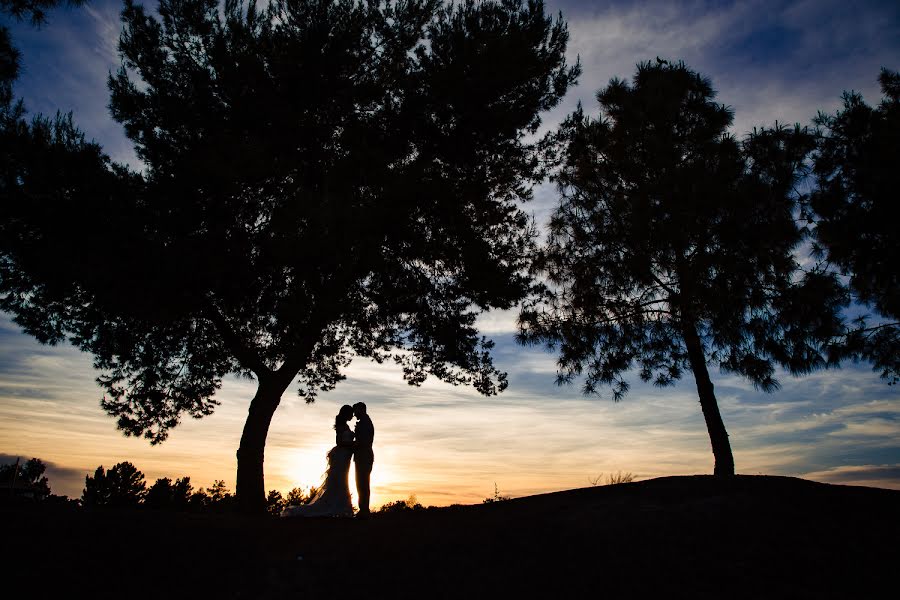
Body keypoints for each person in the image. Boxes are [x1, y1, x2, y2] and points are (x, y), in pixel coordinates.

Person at [281, 405, 355, 517]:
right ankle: (337, 507)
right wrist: (353, 444)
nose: (352, 416)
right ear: (346, 413)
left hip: (345, 457)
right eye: (351, 413)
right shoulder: (341, 425)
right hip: (341, 456)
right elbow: (339, 442)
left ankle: (341, 507)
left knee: (342, 481)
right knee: (340, 480)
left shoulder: (345, 425)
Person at [352, 402, 374, 518]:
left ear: (361, 410)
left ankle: (364, 510)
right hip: (362, 456)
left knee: (362, 483)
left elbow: (363, 442)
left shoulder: (365, 423)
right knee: (361, 483)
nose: (354, 414)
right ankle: (363, 509)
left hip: (364, 456)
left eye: (356, 411)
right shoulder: (365, 422)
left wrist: (351, 445)